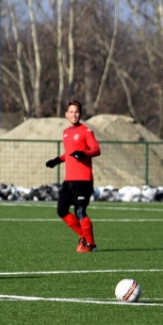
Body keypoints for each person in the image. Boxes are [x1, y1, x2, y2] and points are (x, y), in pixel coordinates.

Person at [45, 101, 101, 252]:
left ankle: (91, 245)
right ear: (66, 114)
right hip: (69, 180)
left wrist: (84, 154)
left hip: (83, 180)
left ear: (80, 114)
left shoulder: (86, 131)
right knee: (61, 210)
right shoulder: (66, 132)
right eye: (71, 112)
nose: (74, 115)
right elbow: (69, 154)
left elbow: (96, 150)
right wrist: (57, 160)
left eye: (76, 112)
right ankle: (84, 236)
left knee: (80, 211)